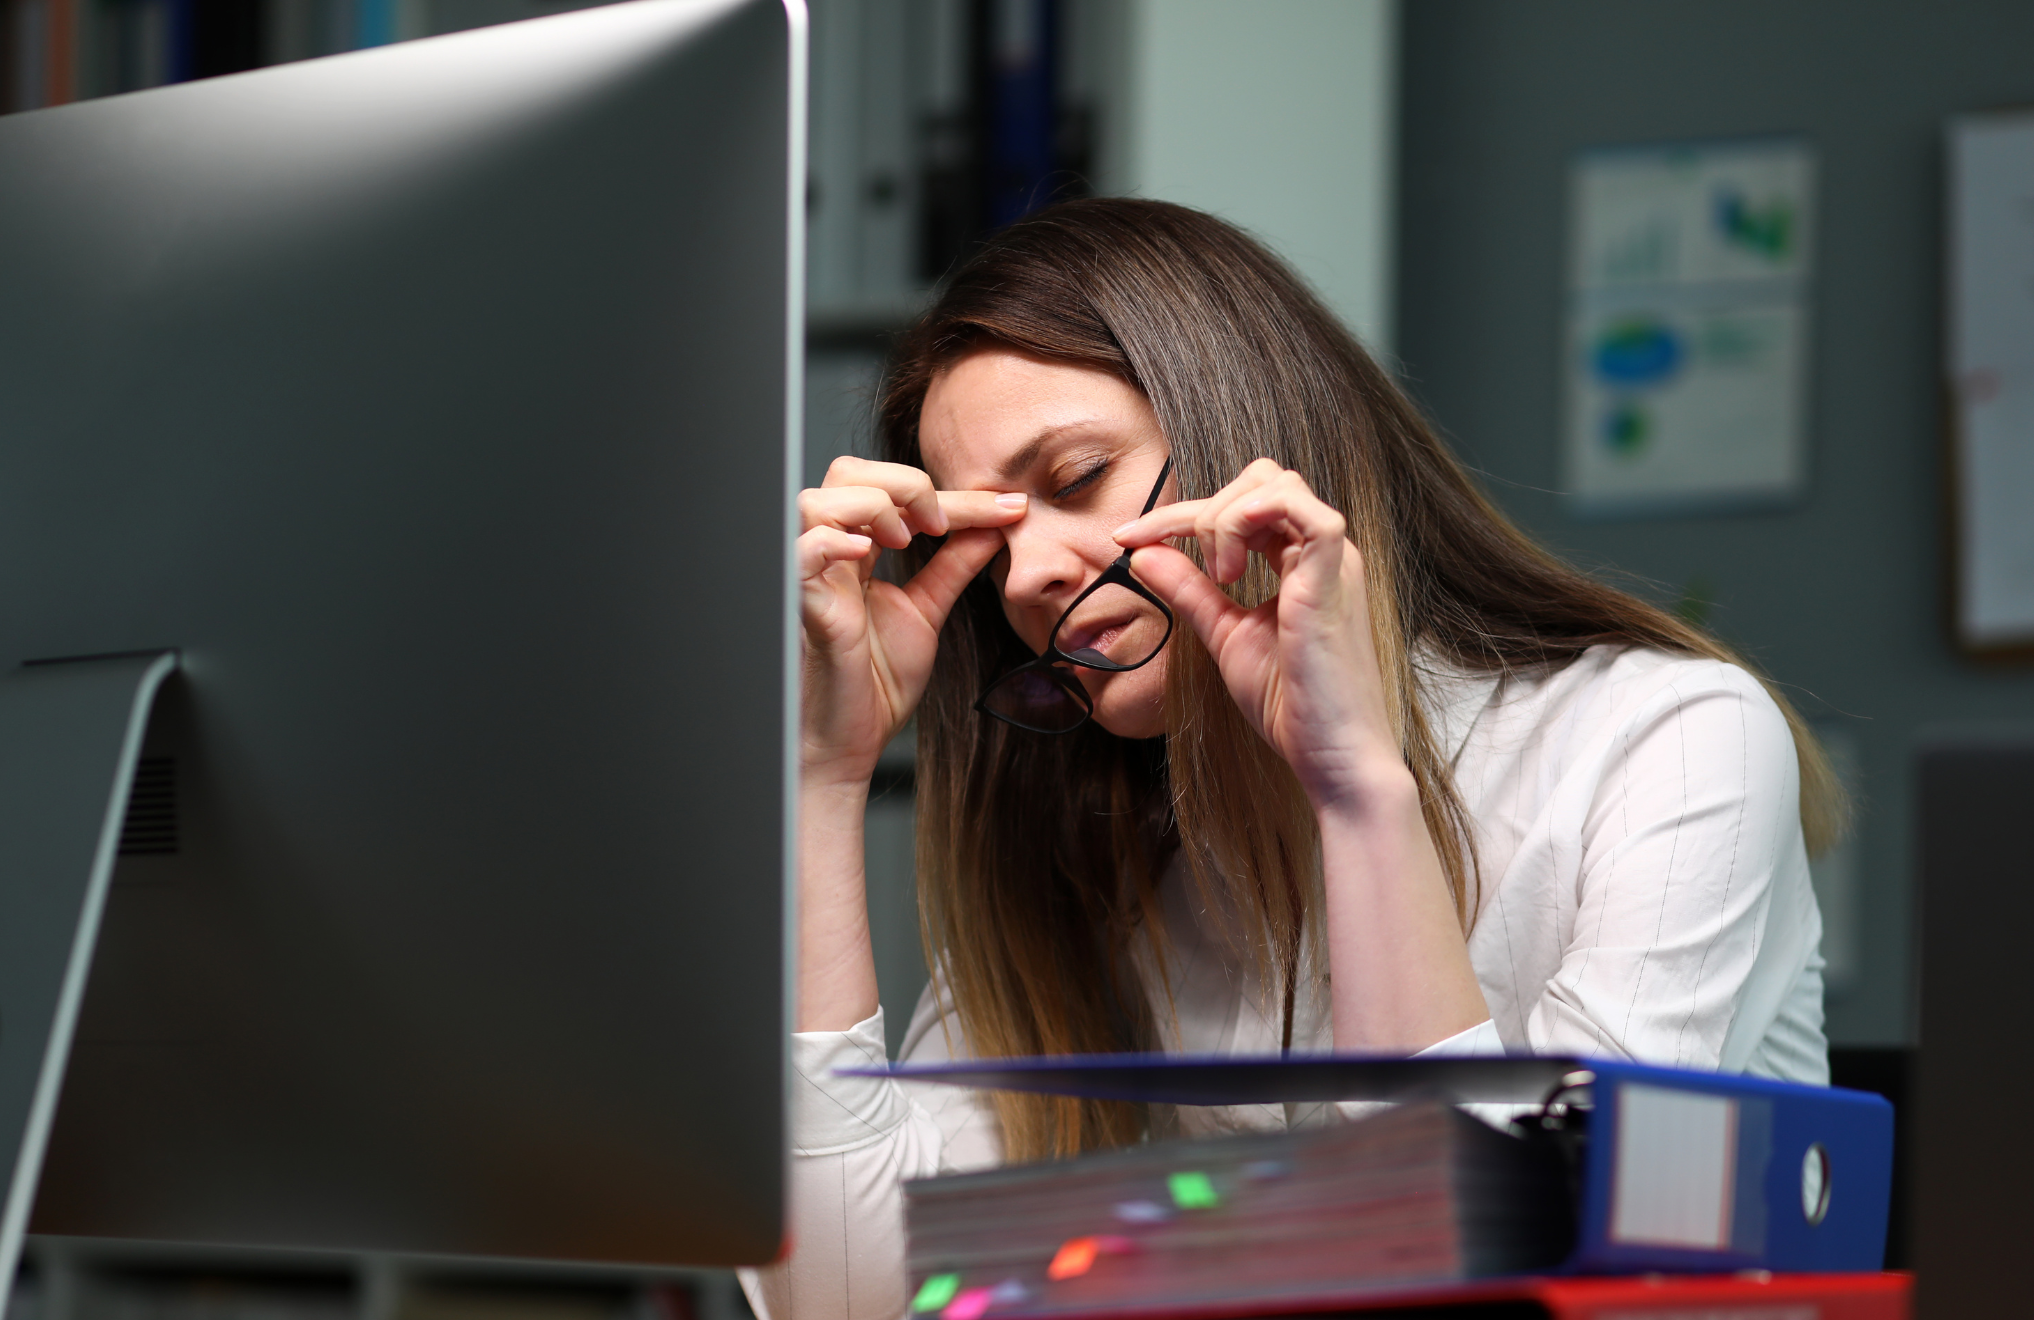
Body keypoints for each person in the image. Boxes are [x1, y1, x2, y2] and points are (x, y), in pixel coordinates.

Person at [753, 198, 1838, 1320]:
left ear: (1247, 430)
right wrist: (820, 780)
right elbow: (843, 1299)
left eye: (1076, 477)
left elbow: (1489, 1272)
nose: (1025, 574)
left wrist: (1358, 790)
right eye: (979, 543)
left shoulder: (1668, 739)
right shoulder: (1094, 852)